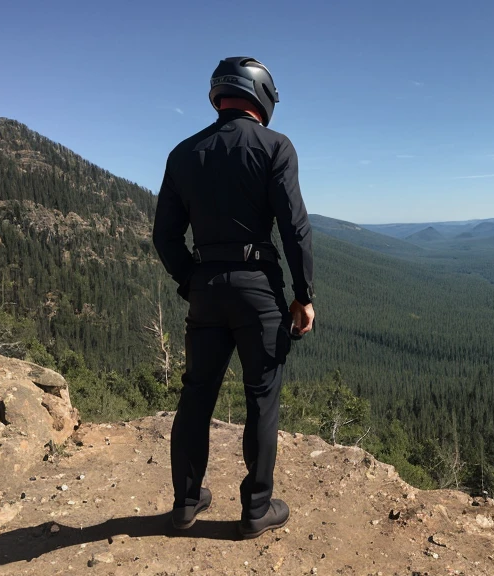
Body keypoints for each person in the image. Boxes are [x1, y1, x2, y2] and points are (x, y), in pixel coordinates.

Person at [151, 56, 316, 539]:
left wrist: (192, 282)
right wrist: (304, 295)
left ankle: (185, 503)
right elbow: (295, 228)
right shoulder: (275, 147)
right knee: (261, 397)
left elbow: (164, 237)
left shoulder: (183, 153)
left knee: (196, 395)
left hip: (205, 286)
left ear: (219, 95)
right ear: (262, 96)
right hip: (258, 290)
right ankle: (256, 509)